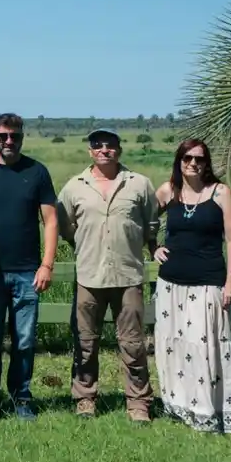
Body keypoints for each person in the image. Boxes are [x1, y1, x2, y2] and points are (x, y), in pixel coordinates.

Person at [0, 112, 59, 421]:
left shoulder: (37, 172)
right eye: (3, 136)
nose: (8, 142)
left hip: (28, 272)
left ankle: (22, 399)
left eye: (14, 137)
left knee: (25, 340)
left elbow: (51, 220)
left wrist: (47, 264)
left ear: (22, 137)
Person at [57, 129, 159, 422]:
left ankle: (138, 402)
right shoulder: (75, 187)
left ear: (119, 150)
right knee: (86, 342)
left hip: (128, 274)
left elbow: (152, 220)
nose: (104, 150)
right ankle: (85, 398)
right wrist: (87, 242)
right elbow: (65, 225)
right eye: (98, 145)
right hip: (89, 274)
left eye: (110, 145)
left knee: (133, 343)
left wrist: (144, 242)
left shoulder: (138, 183)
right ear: (90, 151)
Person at [153, 139, 231, 434]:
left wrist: (230, 281)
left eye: (200, 159)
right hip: (170, 283)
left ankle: (207, 410)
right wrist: (152, 247)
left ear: (207, 163)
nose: (193, 163)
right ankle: (178, 405)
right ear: (179, 160)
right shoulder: (168, 191)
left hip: (208, 282)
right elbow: (142, 220)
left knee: (205, 347)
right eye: (188, 158)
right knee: (174, 345)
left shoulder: (220, 193)